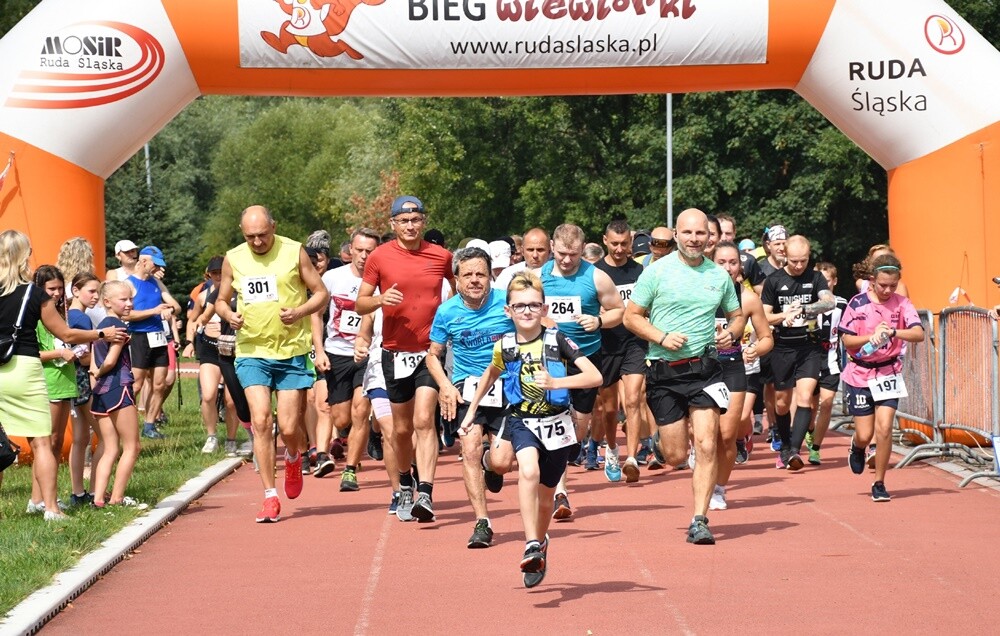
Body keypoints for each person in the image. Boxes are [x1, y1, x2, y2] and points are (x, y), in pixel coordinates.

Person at [460, 271, 602, 587]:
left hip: (557, 423)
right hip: (521, 420)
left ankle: (541, 541)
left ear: (544, 308)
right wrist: (470, 412)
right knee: (528, 471)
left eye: (534, 305)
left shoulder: (557, 340)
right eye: (520, 306)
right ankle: (531, 543)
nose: (527, 311)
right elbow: (490, 374)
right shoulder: (505, 345)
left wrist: (557, 383)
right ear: (508, 311)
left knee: (547, 495)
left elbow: (595, 376)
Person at [623, 209, 743, 545]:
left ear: (710, 237)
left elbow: (737, 316)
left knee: (706, 443)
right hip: (665, 371)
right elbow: (631, 317)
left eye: (700, 233)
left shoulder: (718, 276)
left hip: (705, 370)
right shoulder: (656, 272)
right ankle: (661, 447)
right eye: (687, 233)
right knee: (676, 456)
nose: (694, 239)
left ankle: (700, 520)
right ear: (676, 235)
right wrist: (661, 337)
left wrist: (731, 333)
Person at [0, 230, 127, 521]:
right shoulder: (35, 294)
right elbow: (66, 334)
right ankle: (51, 508)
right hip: (24, 367)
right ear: (24, 256)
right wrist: (101, 334)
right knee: (42, 442)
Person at [215, 205, 329, 523]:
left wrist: (300, 311)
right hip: (252, 350)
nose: (257, 242)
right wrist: (228, 315)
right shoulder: (234, 258)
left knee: (290, 428)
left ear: (273, 228)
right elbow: (221, 300)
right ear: (242, 233)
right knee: (262, 421)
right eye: (250, 236)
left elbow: (321, 293)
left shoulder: (294, 252)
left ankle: (293, 455)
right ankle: (269, 496)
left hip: (291, 351)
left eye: (263, 235)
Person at [355, 195, 454, 522]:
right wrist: (381, 299)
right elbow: (360, 303)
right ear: (393, 224)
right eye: (404, 221)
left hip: (430, 352)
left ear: (423, 221)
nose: (410, 226)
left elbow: (459, 294)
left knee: (424, 420)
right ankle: (405, 483)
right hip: (394, 352)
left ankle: (425, 491)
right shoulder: (379, 257)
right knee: (400, 429)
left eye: (415, 220)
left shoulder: (441, 257)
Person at [427, 246, 514, 547]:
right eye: (468, 275)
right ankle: (482, 522)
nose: (475, 280)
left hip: (505, 385)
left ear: (491, 276)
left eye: (481, 274)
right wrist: (445, 385)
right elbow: (432, 355)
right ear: (457, 279)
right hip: (467, 387)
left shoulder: (508, 302)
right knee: (470, 446)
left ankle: (492, 463)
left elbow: (539, 328)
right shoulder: (447, 311)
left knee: (502, 462)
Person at [541, 223, 625, 518]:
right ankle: (559, 492)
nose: (567, 260)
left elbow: (618, 310)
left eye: (574, 255)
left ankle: (570, 451)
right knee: (556, 422)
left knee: (577, 429)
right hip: (550, 358)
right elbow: (520, 309)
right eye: (562, 254)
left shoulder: (596, 276)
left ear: (582, 249)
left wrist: (599, 321)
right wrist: (540, 321)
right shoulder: (537, 277)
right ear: (553, 247)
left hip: (585, 359)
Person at [839, 253, 924, 501]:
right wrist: (872, 336)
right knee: (865, 434)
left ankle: (879, 482)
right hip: (860, 373)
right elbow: (847, 341)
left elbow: (918, 333)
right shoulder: (857, 303)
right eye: (883, 285)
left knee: (885, 428)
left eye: (893, 286)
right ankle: (857, 446)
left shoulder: (902, 303)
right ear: (872, 280)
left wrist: (894, 332)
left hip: (888, 372)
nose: (888, 290)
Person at [760, 235, 835, 470]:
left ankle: (794, 450)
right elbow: (764, 316)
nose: (799, 266)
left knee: (805, 398)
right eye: (794, 261)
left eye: (803, 260)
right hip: (782, 347)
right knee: (782, 403)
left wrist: (804, 309)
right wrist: (785, 315)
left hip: (809, 346)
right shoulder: (774, 281)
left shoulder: (816, 278)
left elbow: (829, 302)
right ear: (785, 256)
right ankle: (784, 445)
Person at [709, 242, 773, 510]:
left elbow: (767, 338)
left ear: (741, 267)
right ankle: (699, 456)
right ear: (711, 263)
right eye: (721, 262)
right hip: (701, 367)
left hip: (733, 366)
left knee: (726, 435)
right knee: (701, 434)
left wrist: (755, 349)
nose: (728, 268)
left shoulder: (748, 299)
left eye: (733, 262)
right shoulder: (697, 293)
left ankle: (719, 489)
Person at [317, 228, 381, 489]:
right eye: (360, 250)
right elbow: (316, 314)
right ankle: (348, 434)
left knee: (361, 411)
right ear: (350, 250)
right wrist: (319, 349)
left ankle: (350, 471)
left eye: (370, 251)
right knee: (341, 419)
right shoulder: (333, 277)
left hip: (368, 354)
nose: (364, 256)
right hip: (336, 353)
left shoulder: (382, 280)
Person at [594, 219, 648, 482]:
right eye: (614, 243)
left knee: (633, 399)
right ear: (605, 241)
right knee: (609, 408)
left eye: (624, 244)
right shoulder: (595, 272)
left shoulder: (639, 271)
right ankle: (613, 450)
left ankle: (632, 458)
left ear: (631, 241)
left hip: (634, 342)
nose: (619, 249)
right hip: (605, 344)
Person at [89, 280, 145, 508]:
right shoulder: (118, 327)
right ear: (107, 301)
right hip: (119, 387)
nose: (129, 303)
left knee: (110, 448)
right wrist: (100, 371)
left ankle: (98, 498)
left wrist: (95, 377)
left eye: (130, 299)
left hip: (101, 393)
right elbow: (111, 361)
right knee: (132, 446)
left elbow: (93, 361)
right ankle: (117, 498)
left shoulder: (101, 326)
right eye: (123, 299)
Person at [182, 256, 238, 454]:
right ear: (209, 275)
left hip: (232, 349)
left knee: (231, 400)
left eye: (222, 273)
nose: (218, 277)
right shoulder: (203, 296)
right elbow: (192, 319)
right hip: (209, 348)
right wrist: (189, 342)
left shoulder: (237, 293)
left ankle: (231, 439)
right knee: (208, 395)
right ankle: (212, 436)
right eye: (214, 273)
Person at [33, 266, 78, 510]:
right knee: (45, 444)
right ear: (40, 289)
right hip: (48, 381)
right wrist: (59, 353)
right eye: (51, 288)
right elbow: (33, 353)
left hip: (65, 380)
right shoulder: (35, 316)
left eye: (60, 288)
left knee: (57, 442)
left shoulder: (62, 312)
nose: (57, 293)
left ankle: (47, 496)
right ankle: (38, 499)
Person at [125, 246, 181, 440]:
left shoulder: (156, 282)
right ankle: (126, 423)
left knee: (160, 384)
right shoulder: (129, 284)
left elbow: (176, 306)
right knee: (137, 384)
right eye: (155, 264)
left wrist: (169, 310)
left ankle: (149, 425)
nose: (157, 268)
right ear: (143, 261)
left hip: (159, 337)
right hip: (139, 337)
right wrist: (154, 311)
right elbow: (126, 314)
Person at [804, 262, 848, 465]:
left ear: (834, 281)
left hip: (831, 360)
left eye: (827, 280)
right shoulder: (808, 303)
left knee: (827, 402)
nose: (823, 285)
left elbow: (848, 331)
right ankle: (810, 430)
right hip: (810, 359)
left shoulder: (842, 304)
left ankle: (815, 448)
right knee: (810, 406)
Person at [67, 272, 103, 505]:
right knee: (107, 438)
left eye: (98, 292)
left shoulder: (68, 316)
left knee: (80, 438)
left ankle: (77, 492)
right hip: (83, 381)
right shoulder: (80, 319)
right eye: (91, 291)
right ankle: (95, 491)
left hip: (72, 383)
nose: (96, 296)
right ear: (76, 291)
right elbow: (84, 357)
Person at [494, 228, 550, 292]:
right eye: (530, 250)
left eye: (540, 250)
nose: (535, 255)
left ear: (549, 250)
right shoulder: (507, 275)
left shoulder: (558, 274)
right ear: (522, 251)